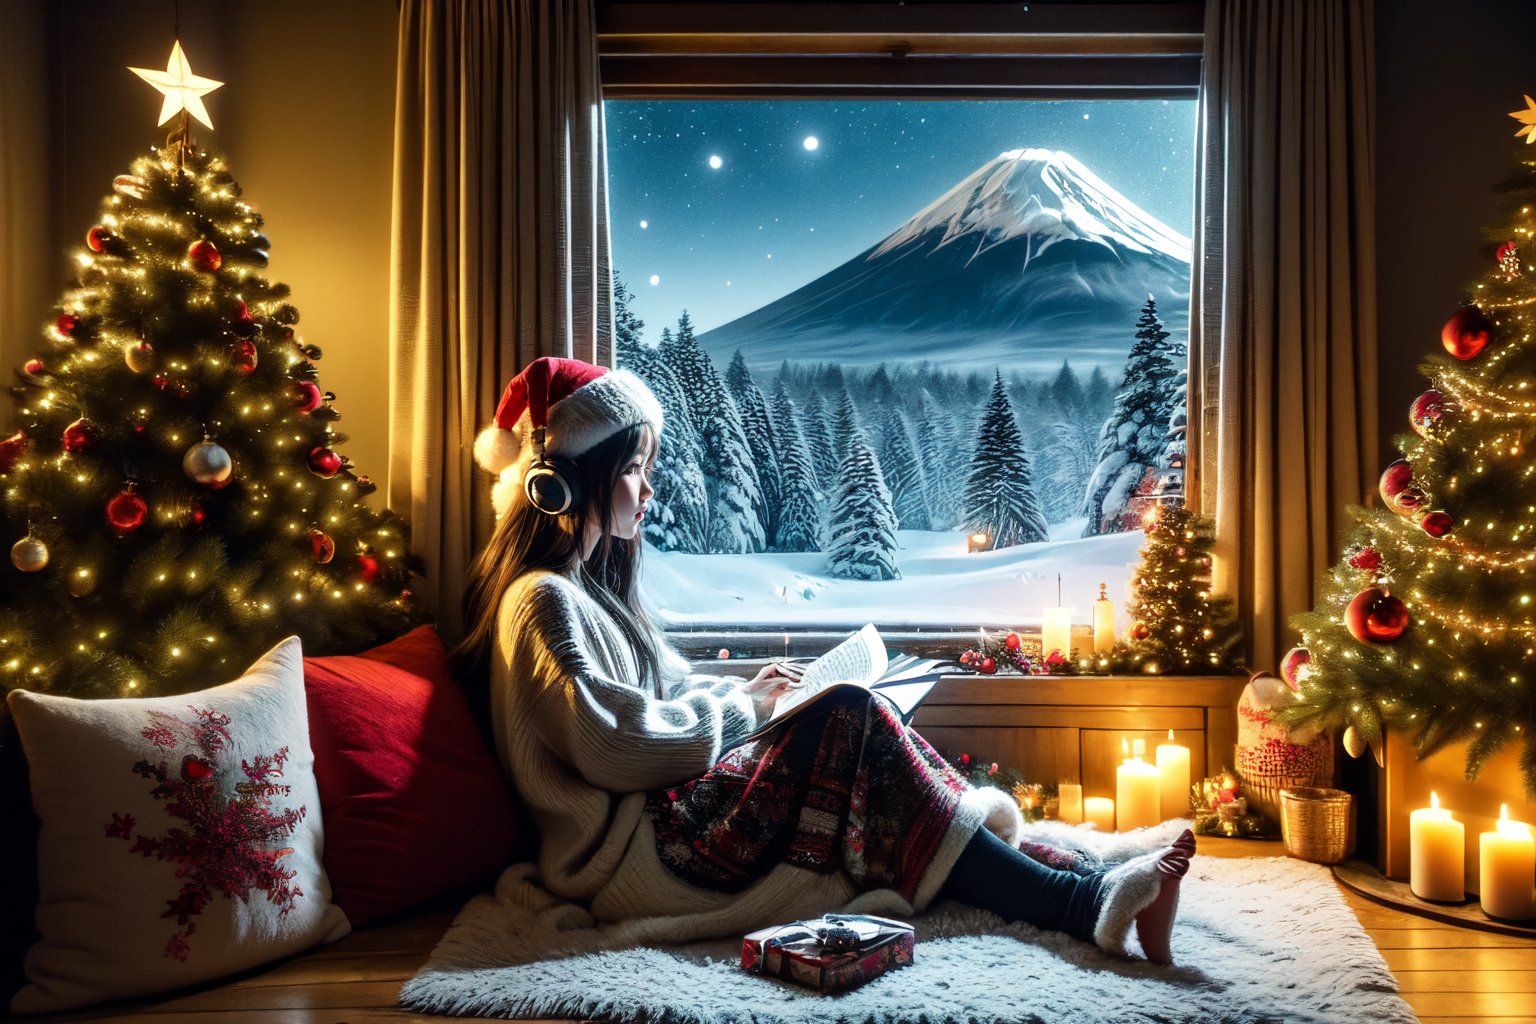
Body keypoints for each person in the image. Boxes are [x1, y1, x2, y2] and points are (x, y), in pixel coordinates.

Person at [454, 356, 1193, 963]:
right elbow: (616, 741)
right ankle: (1083, 900)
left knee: (849, 720)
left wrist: (761, 690)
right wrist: (752, 710)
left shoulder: (591, 592)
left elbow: (667, 689)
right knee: (848, 716)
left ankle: (1089, 881)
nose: (651, 489)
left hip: (664, 819)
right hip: (637, 854)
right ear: (563, 479)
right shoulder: (540, 601)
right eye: (636, 468)